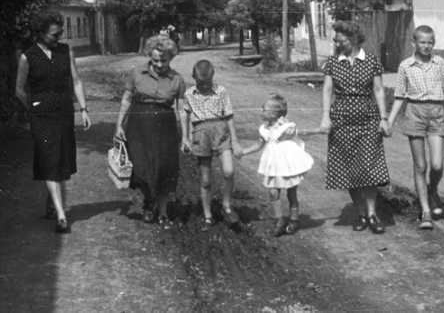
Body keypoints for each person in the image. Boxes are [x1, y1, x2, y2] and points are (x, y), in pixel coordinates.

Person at [15, 11, 91, 234]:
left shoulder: (66, 52)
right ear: (40, 33)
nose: (57, 38)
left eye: (59, 34)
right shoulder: (27, 56)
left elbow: (76, 81)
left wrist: (84, 109)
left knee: (60, 157)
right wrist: (32, 106)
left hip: (64, 110)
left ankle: (51, 202)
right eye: (53, 34)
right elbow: (18, 89)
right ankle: (61, 215)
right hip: (41, 114)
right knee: (49, 156)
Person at [319, 21, 391, 234]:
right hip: (341, 121)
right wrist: (325, 117)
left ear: (354, 39)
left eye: (341, 40)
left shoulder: (371, 61)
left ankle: (372, 214)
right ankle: (360, 212)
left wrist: (384, 117)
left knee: (369, 167)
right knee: (348, 169)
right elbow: (327, 90)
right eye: (336, 40)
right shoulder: (333, 62)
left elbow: (378, 90)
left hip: (368, 119)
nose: (337, 44)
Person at [114, 35, 186, 229]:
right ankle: (148, 201)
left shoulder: (177, 79)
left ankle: (162, 211)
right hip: (139, 125)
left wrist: (185, 136)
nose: (159, 64)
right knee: (141, 166)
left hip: (165, 126)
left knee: (164, 167)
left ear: (171, 58)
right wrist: (119, 125)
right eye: (155, 60)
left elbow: (181, 110)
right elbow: (127, 99)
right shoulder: (137, 73)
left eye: (164, 60)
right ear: (149, 56)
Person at [387, 25, 444, 230]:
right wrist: (389, 120)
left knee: (437, 165)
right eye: (422, 42)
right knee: (420, 165)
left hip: (437, 114)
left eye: (430, 42)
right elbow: (400, 95)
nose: (427, 46)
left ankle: (432, 190)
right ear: (414, 43)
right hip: (415, 113)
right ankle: (425, 210)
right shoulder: (405, 66)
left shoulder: (439, 63)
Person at [236, 94, 316, 237]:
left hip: (287, 163)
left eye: (264, 109)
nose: (261, 112)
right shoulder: (263, 129)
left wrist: (319, 130)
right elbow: (258, 145)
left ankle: (294, 219)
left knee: (292, 192)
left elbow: (301, 132)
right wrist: (243, 152)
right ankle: (279, 220)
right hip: (273, 164)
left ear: (274, 113)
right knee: (273, 191)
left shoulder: (286, 126)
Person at [181, 60, 242, 232]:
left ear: (213, 77)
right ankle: (208, 215)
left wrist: (235, 141)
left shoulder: (221, 91)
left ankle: (227, 205)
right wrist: (185, 137)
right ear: (194, 78)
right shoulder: (189, 94)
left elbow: (229, 116)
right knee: (206, 180)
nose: (205, 86)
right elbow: (185, 115)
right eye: (201, 83)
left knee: (229, 171)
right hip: (201, 134)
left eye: (208, 83)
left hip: (220, 131)